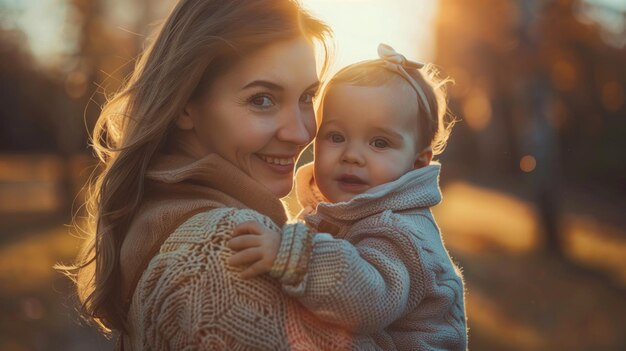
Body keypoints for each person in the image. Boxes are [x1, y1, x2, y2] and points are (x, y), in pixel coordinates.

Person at [61, 0, 364, 349]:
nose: (300, 132)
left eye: (307, 97)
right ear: (185, 105)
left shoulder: (172, 218)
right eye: (262, 100)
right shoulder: (221, 255)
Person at [228, 44, 468, 350]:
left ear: (417, 162)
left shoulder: (400, 232)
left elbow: (367, 300)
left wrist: (290, 254)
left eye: (379, 142)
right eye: (336, 137)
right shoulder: (344, 213)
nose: (352, 155)